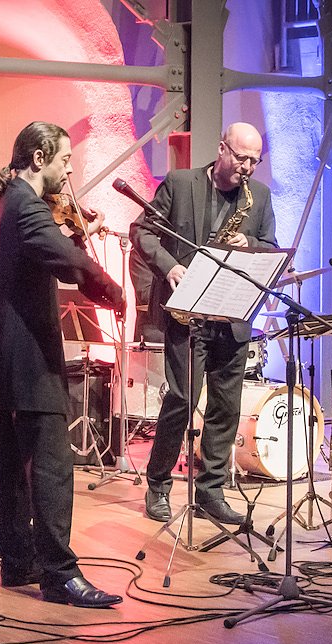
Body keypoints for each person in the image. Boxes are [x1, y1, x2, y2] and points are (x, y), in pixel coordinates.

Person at [0, 121, 125, 608]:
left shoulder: (10, 203)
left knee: (12, 466)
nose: (70, 171)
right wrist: (112, 291)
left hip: (8, 359)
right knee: (51, 468)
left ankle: (18, 561)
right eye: (65, 159)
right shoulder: (27, 207)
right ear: (39, 157)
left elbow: (47, 253)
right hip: (30, 362)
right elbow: (71, 262)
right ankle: (60, 575)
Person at [132, 122, 277, 526]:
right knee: (181, 400)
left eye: (255, 161)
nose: (248, 167)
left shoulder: (259, 196)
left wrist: (251, 245)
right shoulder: (181, 184)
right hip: (187, 312)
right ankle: (158, 483)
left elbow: (270, 247)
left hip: (231, 314)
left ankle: (211, 490)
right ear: (222, 149)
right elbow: (142, 231)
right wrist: (169, 266)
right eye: (242, 157)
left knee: (226, 407)